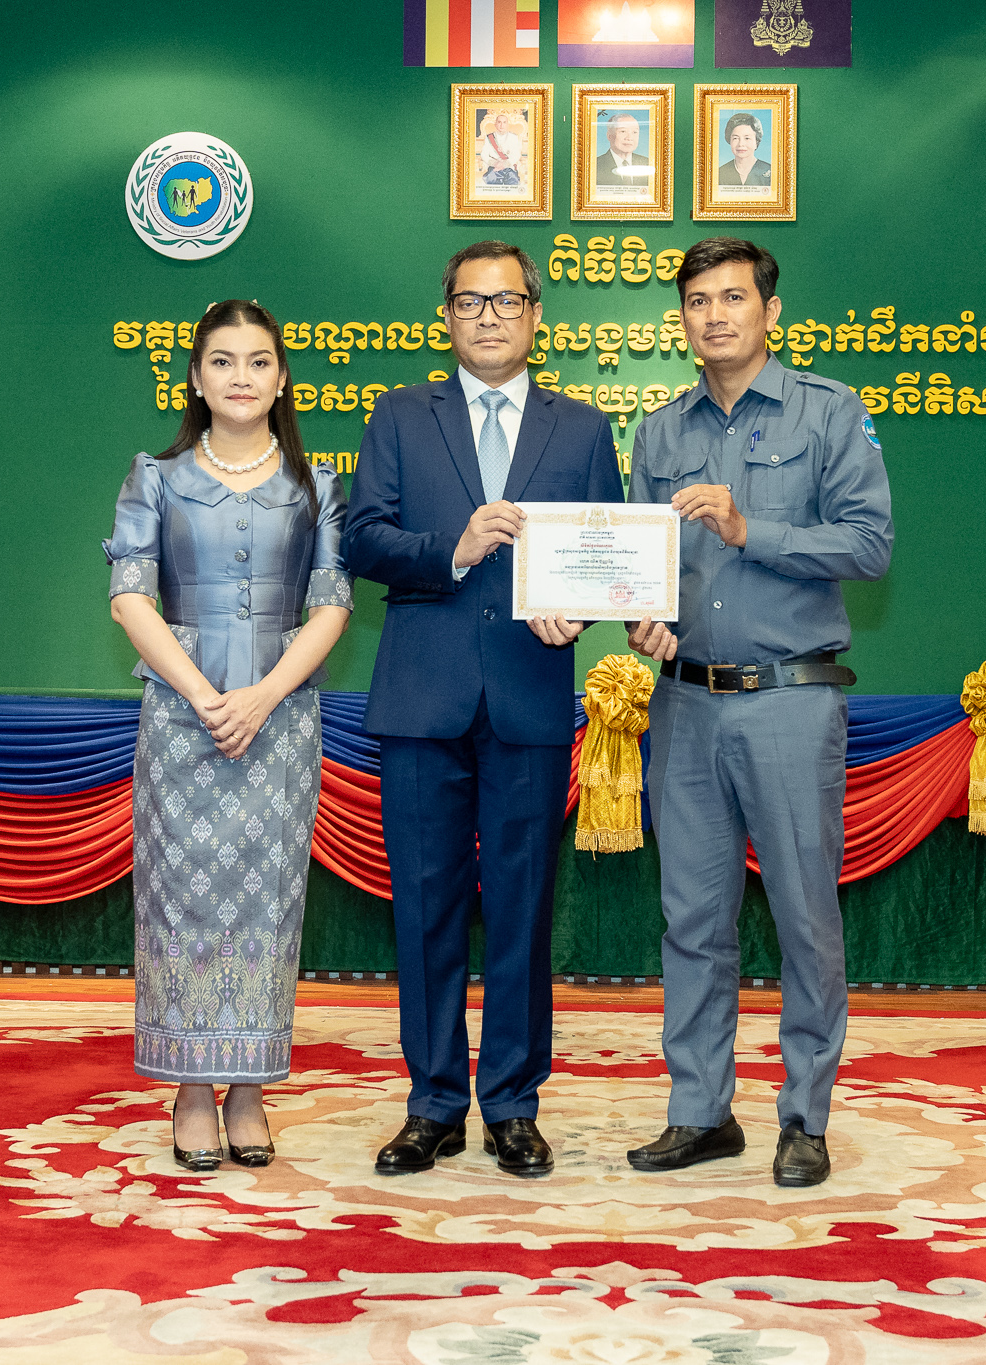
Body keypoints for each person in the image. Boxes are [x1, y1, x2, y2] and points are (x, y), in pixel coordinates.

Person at [341, 241, 622, 1178]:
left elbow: (607, 553)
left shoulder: (582, 428)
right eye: (470, 301)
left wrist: (581, 608)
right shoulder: (398, 415)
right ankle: (431, 1103)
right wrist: (451, 549)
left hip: (529, 695)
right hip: (422, 697)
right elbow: (362, 539)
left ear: (536, 315)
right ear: (447, 316)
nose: (489, 317)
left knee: (521, 908)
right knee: (424, 906)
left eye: (507, 302)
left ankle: (511, 1102)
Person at [622, 238, 893, 1187]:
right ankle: (701, 1112)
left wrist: (751, 530)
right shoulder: (659, 431)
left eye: (733, 298)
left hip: (790, 700)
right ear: (682, 318)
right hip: (685, 703)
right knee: (692, 919)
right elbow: (642, 563)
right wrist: (643, 618)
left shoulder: (830, 411)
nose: (715, 316)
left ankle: (805, 1117)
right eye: (698, 301)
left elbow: (869, 545)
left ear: (770, 311)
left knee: (804, 916)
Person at [104, 299, 352, 1172]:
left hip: (281, 726)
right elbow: (129, 596)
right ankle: (189, 1087)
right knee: (182, 901)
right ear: (196, 378)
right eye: (222, 361)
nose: (240, 377)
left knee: (269, 903)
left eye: (257, 361)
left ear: (282, 379)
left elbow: (332, 606)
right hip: (182, 721)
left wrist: (265, 695)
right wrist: (207, 694)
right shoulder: (156, 477)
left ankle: (249, 1088)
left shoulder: (317, 485)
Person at [592, 112, 649, 188]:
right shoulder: (595, 165)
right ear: (609, 136)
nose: (629, 138)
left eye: (634, 132)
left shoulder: (647, 163)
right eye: (623, 131)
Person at [716, 112, 772, 188]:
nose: (741, 144)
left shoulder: (770, 171)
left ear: (756, 142)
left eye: (747, 138)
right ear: (730, 141)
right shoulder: (720, 173)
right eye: (735, 138)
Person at [477, 111, 525, 188]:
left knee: (514, 182)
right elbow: (484, 154)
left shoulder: (513, 137)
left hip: (509, 168)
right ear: (495, 124)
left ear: (507, 124)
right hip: (494, 168)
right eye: (499, 122)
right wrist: (494, 163)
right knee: (489, 181)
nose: (501, 125)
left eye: (504, 122)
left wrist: (505, 164)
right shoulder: (489, 137)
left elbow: (516, 154)